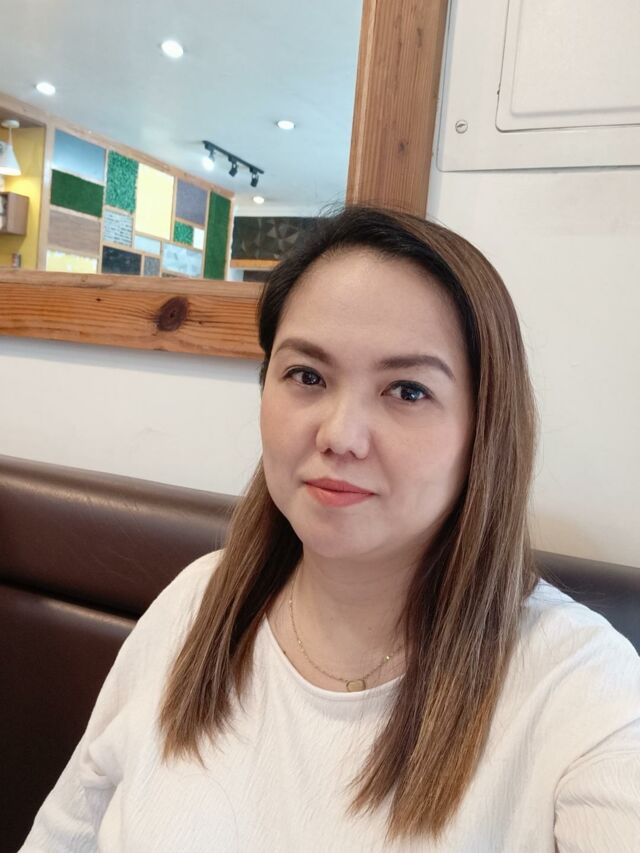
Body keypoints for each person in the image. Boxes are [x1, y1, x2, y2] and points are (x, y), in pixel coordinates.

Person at [21, 207, 639, 852]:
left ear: (484, 429)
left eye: (407, 390)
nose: (340, 435)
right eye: (307, 376)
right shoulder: (196, 603)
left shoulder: (581, 687)